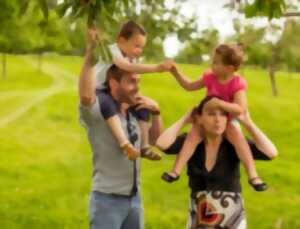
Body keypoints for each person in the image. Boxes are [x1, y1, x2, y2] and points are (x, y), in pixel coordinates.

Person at [79, 27, 164, 229]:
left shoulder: (134, 110)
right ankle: (124, 143)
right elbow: (85, 95)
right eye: (131, 81)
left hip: (134, 200)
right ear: (114, 84)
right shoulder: (98, 110)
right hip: (107, 202)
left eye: (139, 81)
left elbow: (157, 141)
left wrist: (157, 112)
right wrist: (90, 53)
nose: (137, 87)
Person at [156, 96, 278, 229]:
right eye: (211, 114)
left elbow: (271, 153)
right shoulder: (190, 145)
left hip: (231, 220)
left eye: (223, 114)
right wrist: (185, 119)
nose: (217, 119)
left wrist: (248, 123)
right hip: (198, 217)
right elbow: (162, 144)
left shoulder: (235, 145)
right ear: (200, 118)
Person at [162, 44, 267, 191]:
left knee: (239, 141)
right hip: (207, 119)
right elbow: (189, 86)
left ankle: (253, 175)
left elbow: (240, 109)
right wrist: (175, 72)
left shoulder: (237, 83)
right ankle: (176, 171)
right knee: (192, 137)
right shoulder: (210, 77)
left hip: (228, 120)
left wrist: (220, 104)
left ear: (229, 68)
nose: (212, 65)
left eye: (216, 62)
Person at [91, 20, 173, 160]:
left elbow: (132, 80)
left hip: (118, 93)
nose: (139, 51)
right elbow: (125, 67)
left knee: (142, 106)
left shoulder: (131, 59)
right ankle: (124, 143)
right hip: (101, 90)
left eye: (142, 47)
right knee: (108, 105)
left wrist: (137, 98)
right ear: (122, 40)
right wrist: (156, 68)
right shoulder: (111, 51)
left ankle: (145, 146)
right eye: (136, 46)